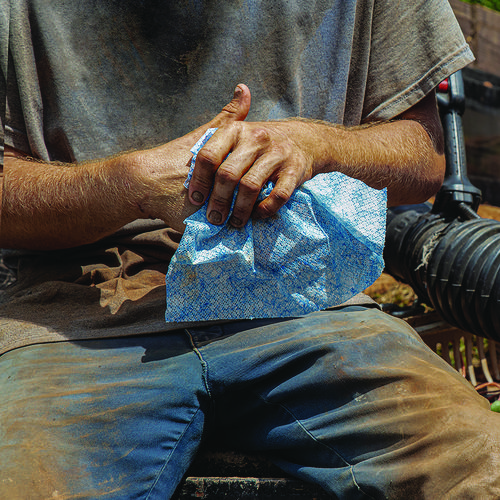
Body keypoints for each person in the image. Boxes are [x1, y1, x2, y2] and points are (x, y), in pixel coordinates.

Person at [1, 1, 499, 498]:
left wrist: (317, 144)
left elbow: (425, 154)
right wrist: (123, 185)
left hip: (311, 307)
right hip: (71, 324)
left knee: (481, 469)